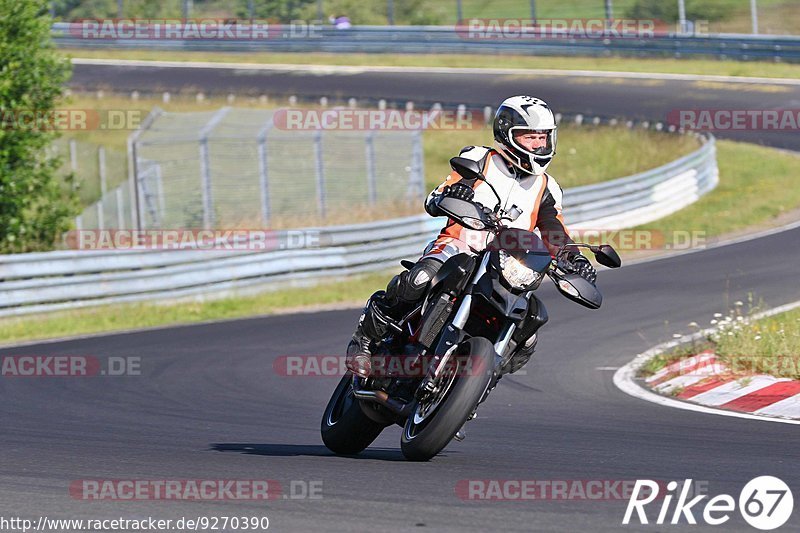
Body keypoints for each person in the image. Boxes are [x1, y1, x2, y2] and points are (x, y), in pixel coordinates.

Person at [346, 95, 596, 378]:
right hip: (458, 245)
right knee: (421, 278)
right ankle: (365, 338)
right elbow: (438, 195)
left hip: (508, 264)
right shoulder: (478, 158)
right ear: (506, 134)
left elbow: (554, 229)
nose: (539, 145)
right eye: (530, 137)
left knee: (531, 323)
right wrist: (455, 192)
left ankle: (479, 385)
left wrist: (573, 257)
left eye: (543, 137)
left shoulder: (549, 187)